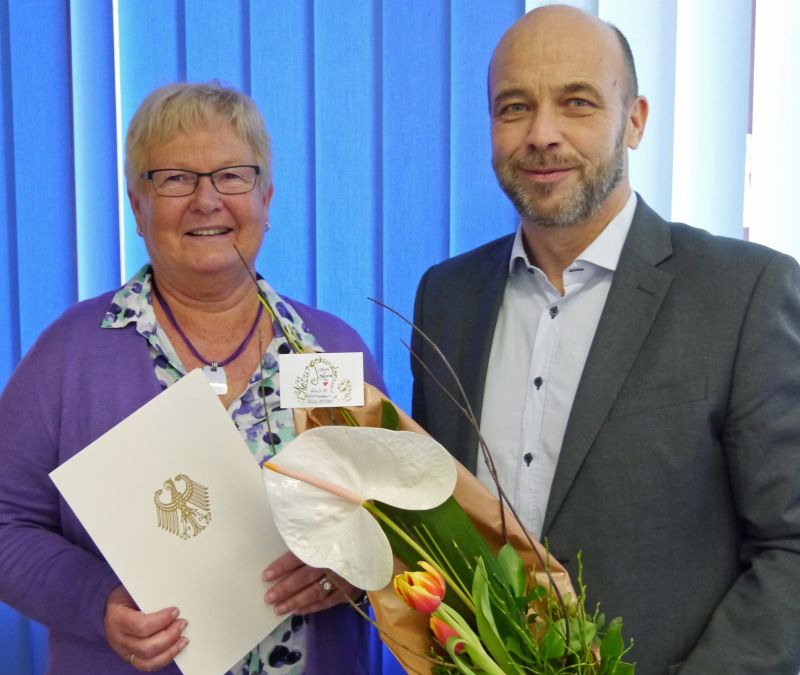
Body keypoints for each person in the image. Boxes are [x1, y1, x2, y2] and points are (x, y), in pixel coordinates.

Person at [411, 5, 800, 674]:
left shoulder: (745, 292)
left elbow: (791, 547)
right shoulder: (445, 298)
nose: (542, 134)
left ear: (636, 119)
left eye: (577, 102)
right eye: (513, 108)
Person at [0, 82, 383, 674]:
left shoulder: (332, 349)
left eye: (232, 175)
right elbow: (5, 523)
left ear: (265, 198)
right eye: (175, 178)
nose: (207, 200)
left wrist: (353, 571)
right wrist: (93, 600)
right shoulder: (68, 357)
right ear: (136, 206)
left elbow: (399, 520)